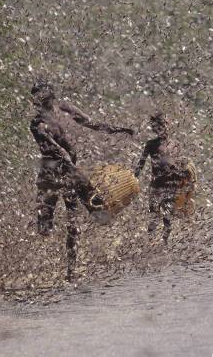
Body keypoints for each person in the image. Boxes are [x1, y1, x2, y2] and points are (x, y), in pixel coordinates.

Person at [29, 81, 133, 280]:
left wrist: (117, 129)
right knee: (44, 227)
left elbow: (91, 123)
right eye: (37, 97)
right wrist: (60, 151)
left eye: (43, 94)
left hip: (70, 170)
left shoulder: (65, 109)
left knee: (86, 214)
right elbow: (44, 136)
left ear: (51, 94)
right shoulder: (36, 122)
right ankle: (42, 259)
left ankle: (71, 269)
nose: (41, 99)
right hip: (50, 172)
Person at [134, 112, 192, 244]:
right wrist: (134, 178)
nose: (161, 128)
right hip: (156, 185)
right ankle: (150, 242)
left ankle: (164, 243)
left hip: (171, 185)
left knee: (167, 216)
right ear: (154, 128)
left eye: (164, 124)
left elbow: (181, 164)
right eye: (158, 126)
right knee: (153, 214)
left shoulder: (175, 144)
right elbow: (141, 163)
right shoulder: (151, 144)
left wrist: (184, 178)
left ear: (168, 125)